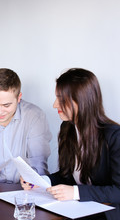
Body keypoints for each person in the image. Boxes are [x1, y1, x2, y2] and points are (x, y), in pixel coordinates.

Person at [21, 68, 120, 203]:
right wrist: (41, 181)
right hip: (78, 209)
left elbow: (118, 191)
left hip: (107, 212)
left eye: (61, 99)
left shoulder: (115, 136)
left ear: (81, 100)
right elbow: (67, 176)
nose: (55, 105)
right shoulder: (67, 128)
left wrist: (75, 192)